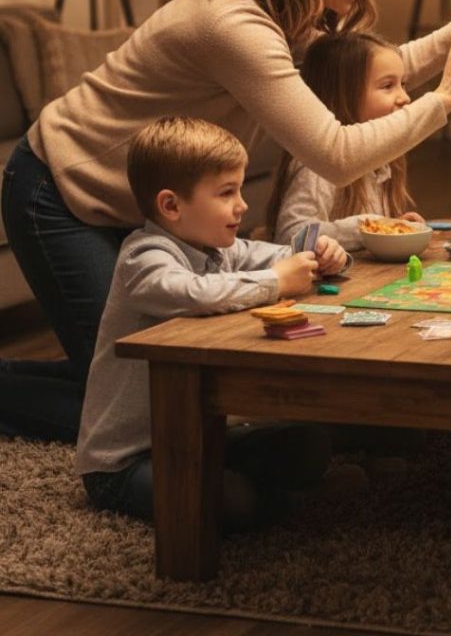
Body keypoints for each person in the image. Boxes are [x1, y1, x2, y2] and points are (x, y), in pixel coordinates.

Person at [1, 0, 451, 442]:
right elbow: (336, 152)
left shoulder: (283, 13)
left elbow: (367, 76)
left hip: (153, 201)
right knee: (143, 401)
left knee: (154, 373)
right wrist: (445, 99)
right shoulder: (232, 25)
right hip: (63, 188)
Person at [76, 117, 350, 528]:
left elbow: (277, 255)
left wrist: (323, 254)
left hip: (199, 436)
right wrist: (277, 281)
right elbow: (190, 291)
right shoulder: (143, 256)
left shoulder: (218, 247)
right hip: (124, 462)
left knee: (309, 444)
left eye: (239, 189)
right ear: (171, 206)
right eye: (226, 193)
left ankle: (261, 494)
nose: (241, 205)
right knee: (233, 501)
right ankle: (269, 502)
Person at [267, 29, 423, 251]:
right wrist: (366, 228)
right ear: (343, 95)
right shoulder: (318, 166)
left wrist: (395, 226)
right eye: (388, 86)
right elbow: (290, 236)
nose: (405, 97)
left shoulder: (383, 158)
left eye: (403, 84)